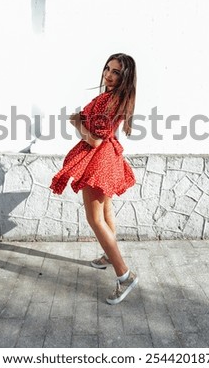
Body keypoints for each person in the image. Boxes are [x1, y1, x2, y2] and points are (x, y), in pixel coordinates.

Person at [50, 53, 138, 304]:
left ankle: (125, 276)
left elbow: (95, 139)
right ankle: (110, 257)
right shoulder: (116, 98)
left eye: (116, 72)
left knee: (95, 219)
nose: (108, 75)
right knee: (106, 212)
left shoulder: (111, 100)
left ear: (125, 77)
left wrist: (77, 122)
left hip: (98, 160)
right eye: (107, 69)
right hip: (106, 158)